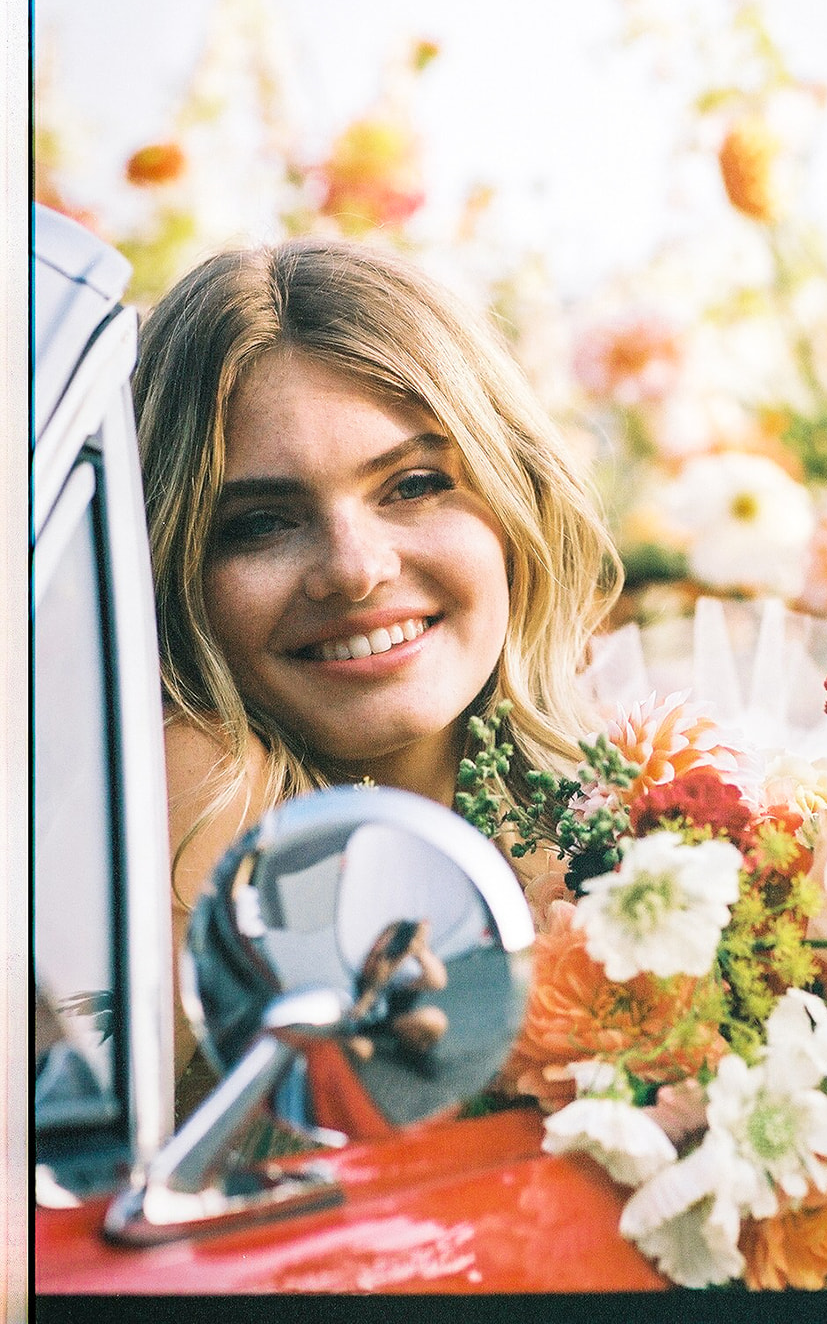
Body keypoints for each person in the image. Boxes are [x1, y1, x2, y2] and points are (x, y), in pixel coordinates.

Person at [131, 236, 621, 1077]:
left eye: (414, 484)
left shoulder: (624, 800)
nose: (356, 570)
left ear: (518, 497)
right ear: (176, 568)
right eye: (258, 523)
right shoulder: (201, 803)